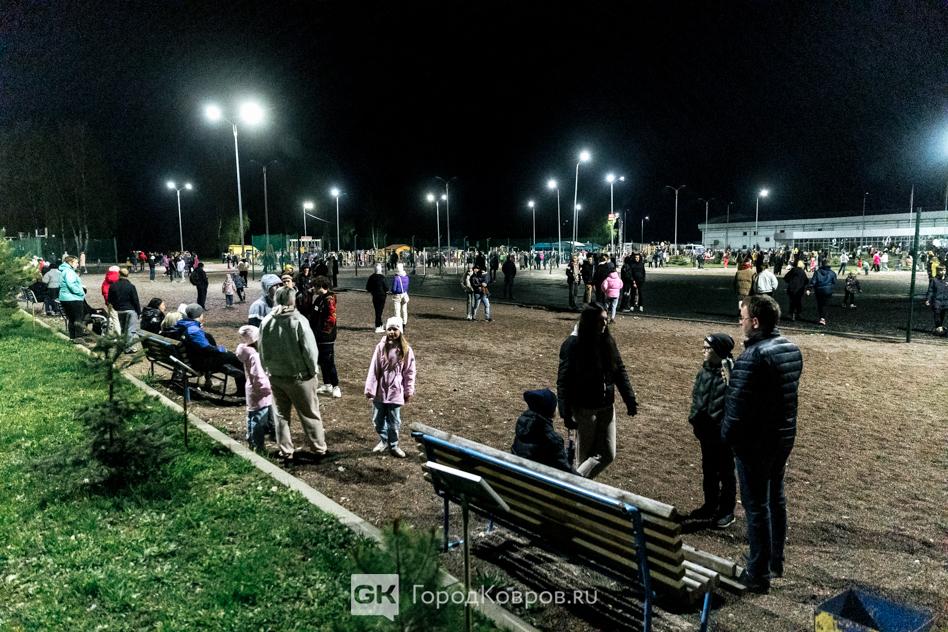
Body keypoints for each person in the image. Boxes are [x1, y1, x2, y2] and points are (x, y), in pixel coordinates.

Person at [722, 295, 803, 594]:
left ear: (755, 322)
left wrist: (727, 438)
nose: (740, 322)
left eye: (742, 318)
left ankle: (758, 572)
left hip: (755, 443)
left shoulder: (752, 357)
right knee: (775, 499)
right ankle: (774, 561)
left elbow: (737, 409)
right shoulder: (791, 349)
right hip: (783, 436)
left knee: (756, 507)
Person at [556, 305, 638, 479]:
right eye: (600, 320)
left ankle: (575, 483)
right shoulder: (573, 344)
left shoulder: (607, 341)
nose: (605, 323)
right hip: (585, 409)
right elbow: (563, 381)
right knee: (584, 456)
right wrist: (565, 412)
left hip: (607, 407)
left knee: (608, 454)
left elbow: (619, 371)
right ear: (589, 322)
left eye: (605, 319)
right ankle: (577, 487)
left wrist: (629, 398)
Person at [258, 286, 328, 460]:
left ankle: (285, 450)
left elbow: (262, 349)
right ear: (293, 300)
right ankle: (318, 448)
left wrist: (268, 369)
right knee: (310, 414)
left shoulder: (266, 321)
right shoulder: (298, 321)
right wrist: (313, 371)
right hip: (299, 377)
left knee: (281, 416)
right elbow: (310, 351)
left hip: (276, 376)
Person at [686, 333, 737, 529]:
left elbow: (735, 404)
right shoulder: (704, 371)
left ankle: (726, 511)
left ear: (720, 351)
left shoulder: (730, 375)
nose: (704, 351)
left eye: (708, 348)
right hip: (705, 430)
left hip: (722, 433)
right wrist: (694, 419)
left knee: (725, 472)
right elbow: (697, 397)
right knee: (708, 470)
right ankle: (710, 505)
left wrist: (725, 428)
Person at [364, 316, 416, 458]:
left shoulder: (406, 350)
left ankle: (394, 445)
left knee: (394, 422)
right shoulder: (380, 347)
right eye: (389, 329)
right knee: (377, 420)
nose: (392, 332)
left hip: (396, 391)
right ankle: (384, 440)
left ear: (400, 331)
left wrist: (408, 391)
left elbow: (410, 372)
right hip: (380, 391)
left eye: (395, 329)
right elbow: (374, 368)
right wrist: (370, 388)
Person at [174, 304, 246, 395]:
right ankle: (243, 391)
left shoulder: (182, 325)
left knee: (231, 357)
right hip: (199, 363)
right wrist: (221, 349)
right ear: (199, 315)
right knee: (236, 359)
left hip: (191, 358)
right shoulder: (193, 330)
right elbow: (206, 348)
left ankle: (241, 389)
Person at [511, 388, 571, 473]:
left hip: (517, 474)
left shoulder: (522, 426)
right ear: (551, 410)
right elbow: (566, 471)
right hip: (536, 479)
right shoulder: (552, 440)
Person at [235, 325, 274, 454]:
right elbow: (259, 376)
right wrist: (267, 389)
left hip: (252, 389)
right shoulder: (255, 356)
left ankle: (252, 441)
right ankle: (258, 447)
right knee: (259, 420)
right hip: (260, 392)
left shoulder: (247, 353)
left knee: (252, 416)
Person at [309, 276, 342, 398]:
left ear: (321, 286)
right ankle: (327, 384)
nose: (313, 289)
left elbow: (331, 318)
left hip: (326, 337)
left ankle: (336, 386)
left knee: (329, 361)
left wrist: (323, 332)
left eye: (315, 286)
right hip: (318, 336)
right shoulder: (319, 299)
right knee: (322, 361)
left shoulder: (329, 299)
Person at [107, 267, 142, 351]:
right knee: (130, 329)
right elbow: (135, 300)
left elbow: (109, 300)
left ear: (119, 274)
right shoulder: (131, 286)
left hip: (118, 310)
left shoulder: (113, 286)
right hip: (130, 310)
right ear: (127, 275)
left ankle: (121, 345)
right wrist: (139, 312)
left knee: (121, 328)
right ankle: (128, 347)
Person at [58, 256, 87, 339]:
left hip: (65, 298)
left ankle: (73, 337)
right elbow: (71, 284)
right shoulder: (69, 272)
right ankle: (79, 338)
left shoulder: (65, 271)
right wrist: (80, 292)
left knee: (71, 319)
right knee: (78, 319)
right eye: (76, 262)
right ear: (70, 263)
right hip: (73, 298)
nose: (77, 264)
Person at [806, 259, 837, 326]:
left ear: (822, 264)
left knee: (820, 305)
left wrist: (809, 289)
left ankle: (821, 317)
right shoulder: (832, 273)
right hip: (828, 290)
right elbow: (834, 282)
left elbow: (813, 281)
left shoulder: (817, 272)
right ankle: (823, 318)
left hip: (819, 290)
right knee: (825, 304)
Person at [925, 265, 948, 336]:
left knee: (942, 314)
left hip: (945, 301)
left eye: (944, 270)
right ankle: (938, 327)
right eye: (941, 270)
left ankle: (940, 327)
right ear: (937, 271)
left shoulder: (947, 280)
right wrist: (928, 299)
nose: (942, 272)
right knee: (937, 313)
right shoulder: (934, 280)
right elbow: (930, 291)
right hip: (937, 300)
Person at [366, 263, 389, 332]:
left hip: (375, 296)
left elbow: (368, 288)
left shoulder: (371, 277)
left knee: (377, 310)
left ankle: (380, 324)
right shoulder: (382, 277)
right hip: (382, 296)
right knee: (379, 311)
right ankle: (378, 326)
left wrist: (372, 291)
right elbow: (386, 288)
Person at [391, 262, 410, 327]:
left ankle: (398, 324)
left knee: (397, 310)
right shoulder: (406, 277)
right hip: (404, 294)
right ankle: (404, 323)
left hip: (397, 295)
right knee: (404, 310)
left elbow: (394, 288)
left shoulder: (396, 278)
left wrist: (393, 291)